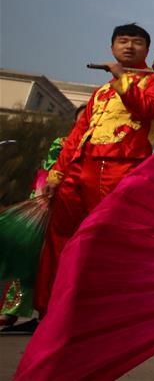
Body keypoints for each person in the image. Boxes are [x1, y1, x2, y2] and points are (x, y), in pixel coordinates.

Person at [34, 24, 154, 314]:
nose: (129, 47)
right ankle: (53, 307)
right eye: (122, 41)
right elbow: (77, 134)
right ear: (112, 48)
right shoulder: (100, 92)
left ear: (147, 50)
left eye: (136, 43)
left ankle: (106, 306)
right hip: (79, 167)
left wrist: (123, 80)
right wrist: (56, 175)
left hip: (121, 166)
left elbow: (147, 109)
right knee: (61, 236)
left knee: (108, 236)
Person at [1, 106, 87, 333]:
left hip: (72, 212)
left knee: (58, 265)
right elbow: (49, 173)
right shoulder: (63, 144)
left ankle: (47, 315)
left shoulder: (96, 148)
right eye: (82, 119)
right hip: (46, 207)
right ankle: (10, 312)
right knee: (29, 260)